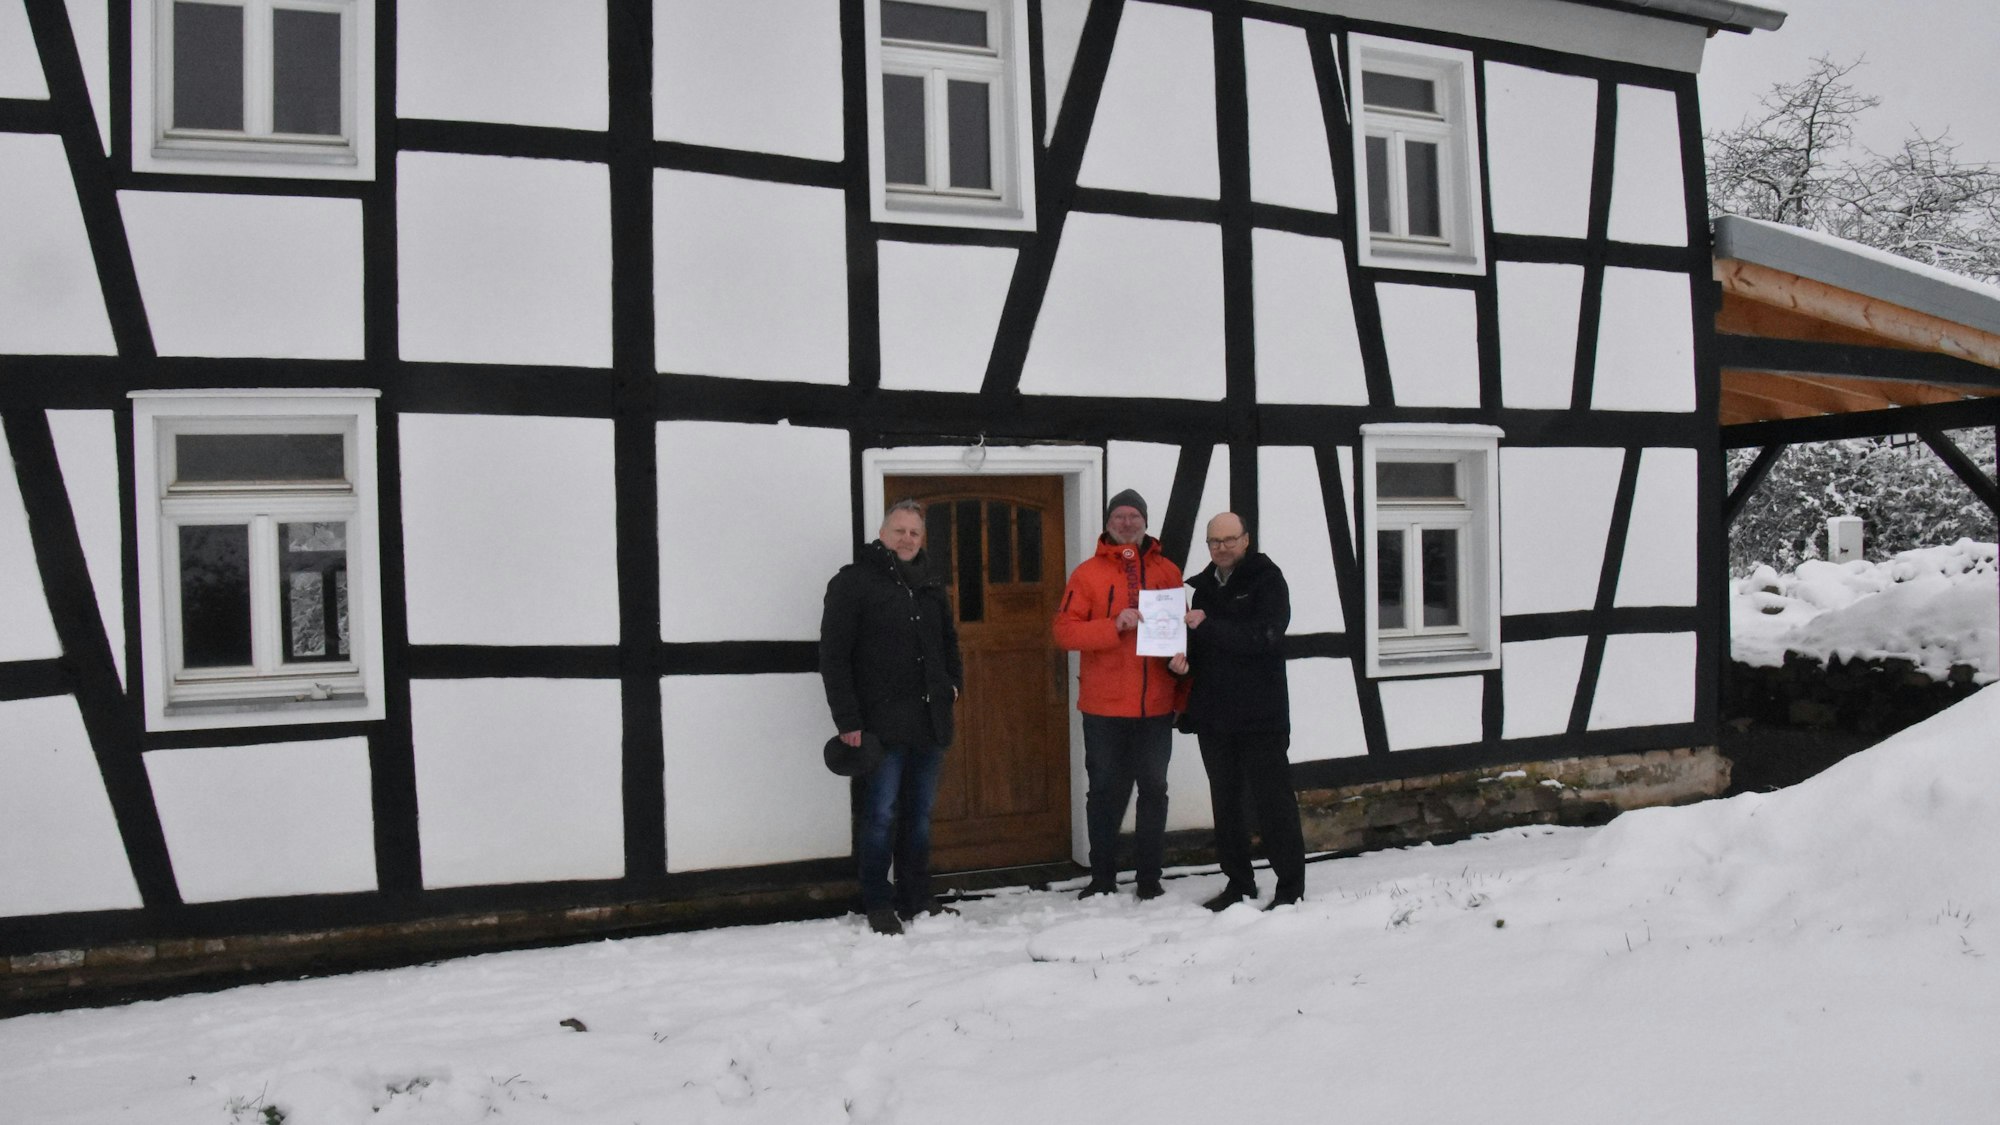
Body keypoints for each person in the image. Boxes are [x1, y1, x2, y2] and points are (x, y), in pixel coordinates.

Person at [819, 499, 964, 936]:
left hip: (929, 721)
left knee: (918, 815)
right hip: (879, 724)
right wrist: (848, 720)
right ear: (883, 533)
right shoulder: (853, 583)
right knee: (880, 814)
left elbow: (948, 644)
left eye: (914, 533)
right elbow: (834, 656)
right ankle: (878, 902)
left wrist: (952, 686)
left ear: (922, 540)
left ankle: (916, 896)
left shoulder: (931, 584)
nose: (906, 538)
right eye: (899, 530)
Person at [1053, 488, 1186, 900]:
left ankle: (1149, 879)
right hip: (1104, 708)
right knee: (1104, 793)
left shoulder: (1167, 571)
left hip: (1155, 707)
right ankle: (1103, 878)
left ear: (1145, 522)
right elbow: (1064, 632)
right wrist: (1114, 625)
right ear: (1108, 523)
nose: (1127, 523)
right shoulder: (1086, 574)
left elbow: (1177, 633)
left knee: (1154, 791)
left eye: (1134, 516)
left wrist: (1180, 662)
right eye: (1119, 516)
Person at [1170, 512, 1307, 911]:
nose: (1222, 548)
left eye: (1230, 539)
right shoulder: (1205, 588)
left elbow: (1263, 637)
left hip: (1261, 715)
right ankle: (1238, 883)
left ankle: (1290, 888)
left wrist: (1208, 626)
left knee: (1273, 802)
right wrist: (1181, 665)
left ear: (1247, 540)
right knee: (1226, 804)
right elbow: (1202, 650)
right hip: (1214, 716)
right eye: (1214, 542)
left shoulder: (1267, 581)